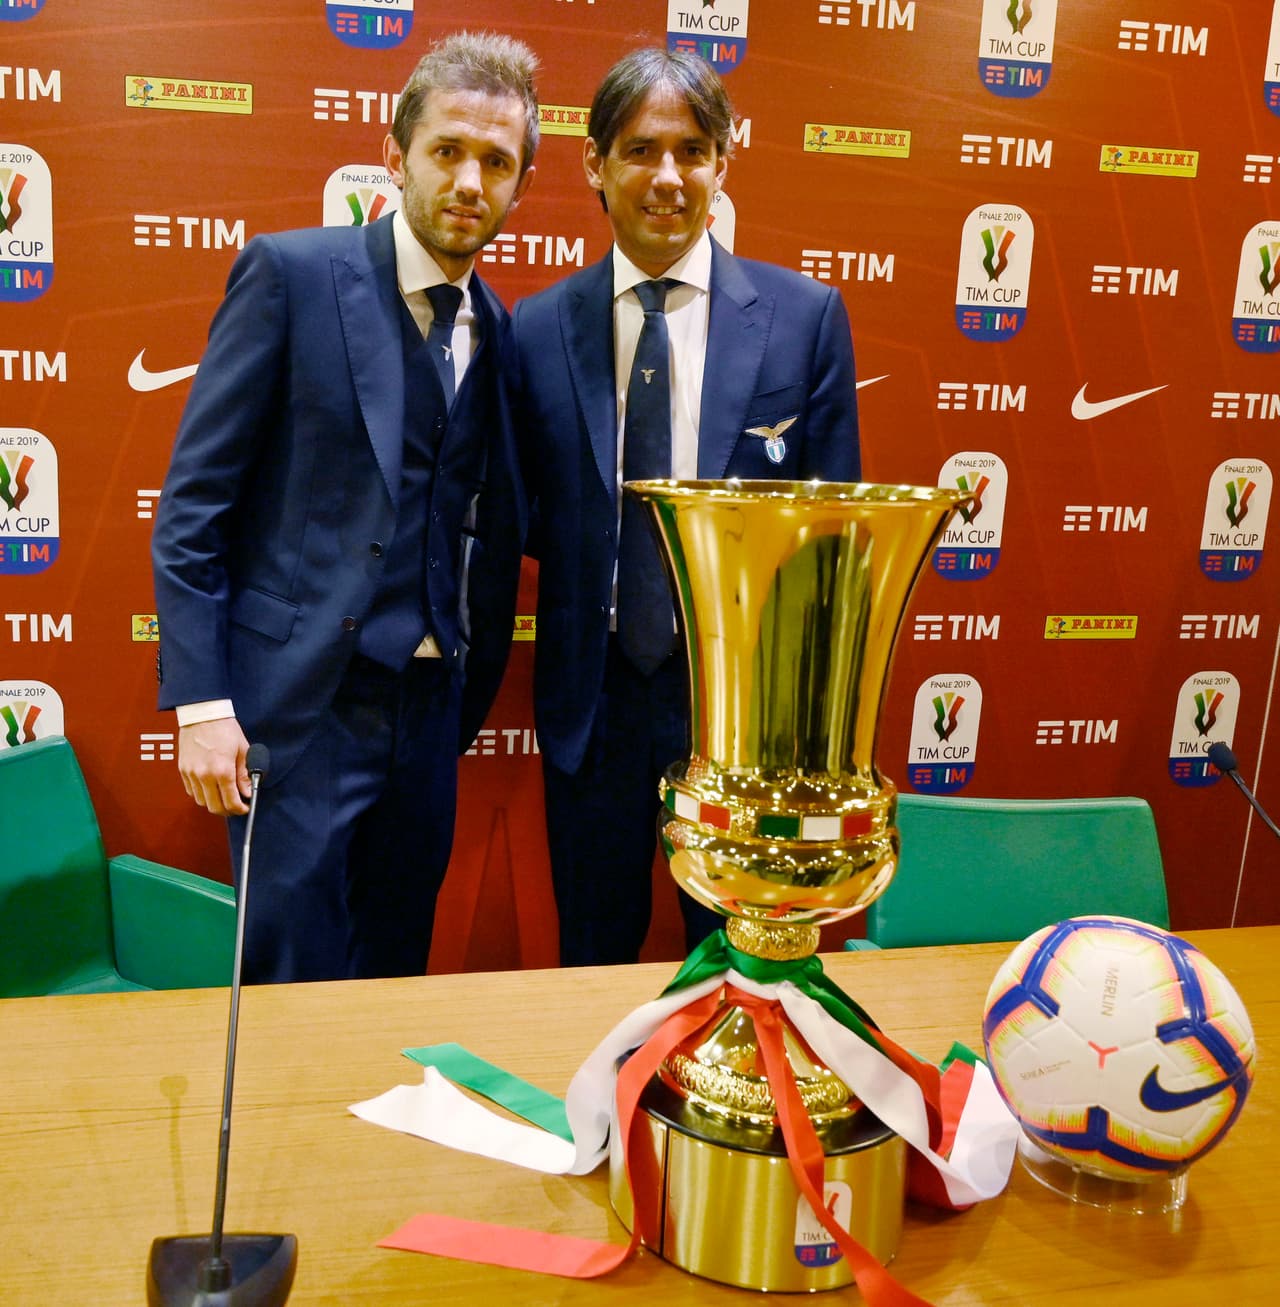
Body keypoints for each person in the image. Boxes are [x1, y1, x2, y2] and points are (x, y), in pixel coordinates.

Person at [150, 31, 538, 983]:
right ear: (395, 155)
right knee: (288, 981)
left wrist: (460, 691)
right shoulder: (290, 276)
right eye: (448, 150)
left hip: (427, 713)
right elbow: (194, 505)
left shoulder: (500, 326)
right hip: (297, 714)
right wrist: (202, 702)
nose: (469, 181)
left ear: (520, 188)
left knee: (392, 977)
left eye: (497, 162)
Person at [510, 48, 861, 967]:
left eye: (692, 150)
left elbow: (834, 550)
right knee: (592, 954)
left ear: (723, 162)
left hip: (743, 723)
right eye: (641, 149)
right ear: (595, 164)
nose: (668, 176)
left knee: (750, 963)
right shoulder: (537, 327)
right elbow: (521, 512)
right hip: (593, 708)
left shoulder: (804, 316)